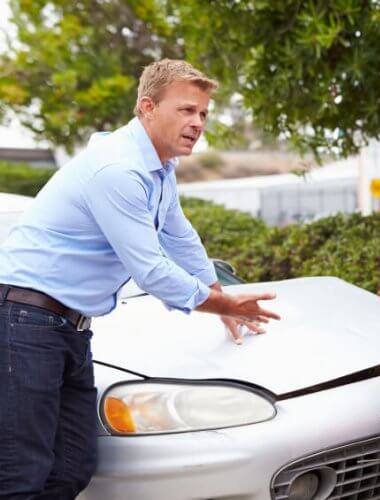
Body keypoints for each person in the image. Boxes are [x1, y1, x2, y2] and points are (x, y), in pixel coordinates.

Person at [0, 59, 280, 499]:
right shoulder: (118, 171)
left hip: (68, 328)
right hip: (24, 320)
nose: (197, 123)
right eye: (186, 110)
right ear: (147, 107)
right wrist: (224, 307)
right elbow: (150, 270)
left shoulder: (159, 169)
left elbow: (180, 236)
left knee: (73, 467)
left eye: (203, 114)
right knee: (21, 476)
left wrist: (221, 296)